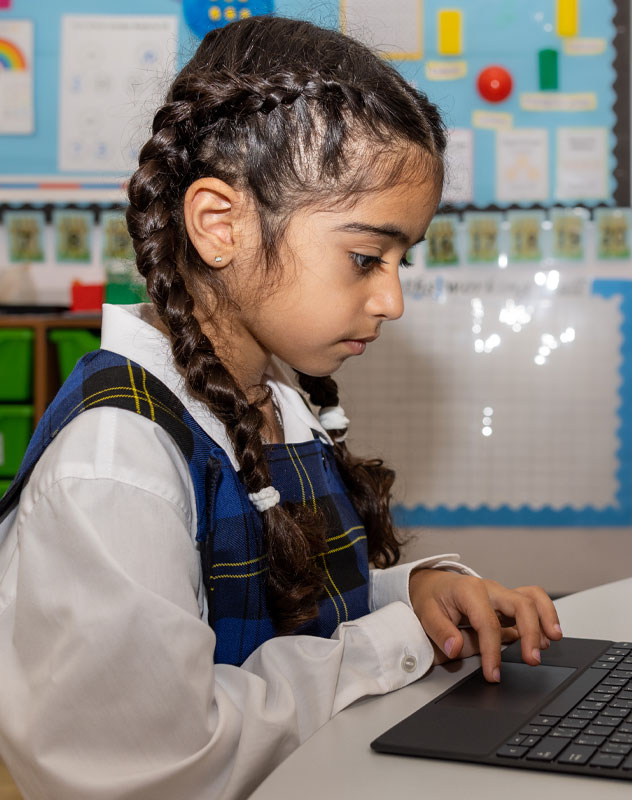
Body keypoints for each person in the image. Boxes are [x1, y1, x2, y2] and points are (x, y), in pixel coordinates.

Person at [0, 17, 561, 799]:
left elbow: (296, 612)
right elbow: (148, 766)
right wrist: (396, 642)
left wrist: (417, 596)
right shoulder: (116, 467)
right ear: (220, 225)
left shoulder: (280, 405)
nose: (393, 298)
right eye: (367, 257)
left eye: (402, 260)